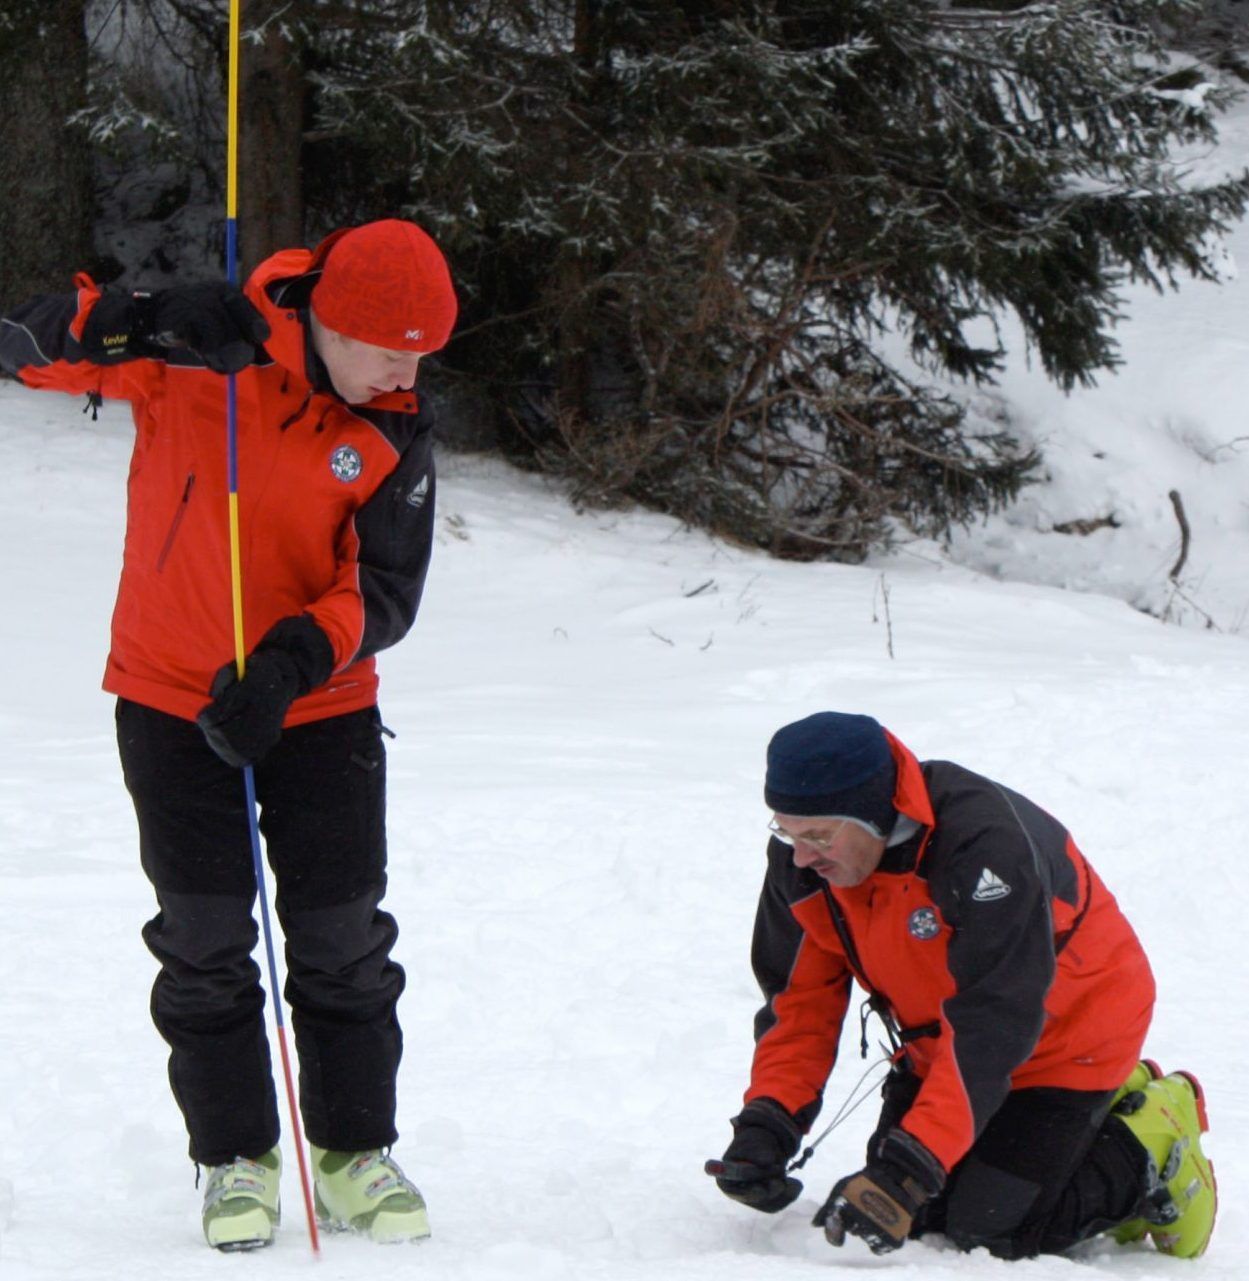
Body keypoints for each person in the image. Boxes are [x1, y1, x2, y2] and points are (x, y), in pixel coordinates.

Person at [0, 219, 457, 1250]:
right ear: (329, 319)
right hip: (170, 699)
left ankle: (351, 1154)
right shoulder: (199, 358)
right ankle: (235, 1160)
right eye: (388, 343)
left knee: (342, 942)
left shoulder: (394, 427)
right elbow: (26, 346)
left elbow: (383, 592)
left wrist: (294, 662)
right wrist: (147, 322)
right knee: (204, 943)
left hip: (321, 710)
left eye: (424, 348)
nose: (405, 367)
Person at [708, 711, 1216, 1260]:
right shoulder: (806, 864)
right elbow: (799, 1005)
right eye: (786, 830)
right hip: (943, 1044)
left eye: (818, 835)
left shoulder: (983, 848)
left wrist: (909, 1166)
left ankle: (1151, 1135)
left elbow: (995, 1024)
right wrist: (768, 1123)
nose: (801, 855)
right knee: (917, 1223)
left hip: (1068, 1040)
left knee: (990, 1231)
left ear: (874, 815)